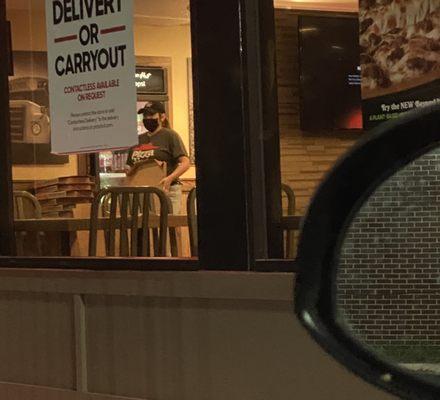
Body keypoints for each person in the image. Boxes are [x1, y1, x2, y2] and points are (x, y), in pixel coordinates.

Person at [125, 101, 190, 214]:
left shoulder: (170, 136)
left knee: (169, 228)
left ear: (162, 117)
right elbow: (129, 169)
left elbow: (185, 163)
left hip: (167, 191)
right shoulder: (137, 141)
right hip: (142, 194)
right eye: (145, 116)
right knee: (144, 229)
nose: (147, 118)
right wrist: (128, 171)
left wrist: (169, 178)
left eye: (151, 115)